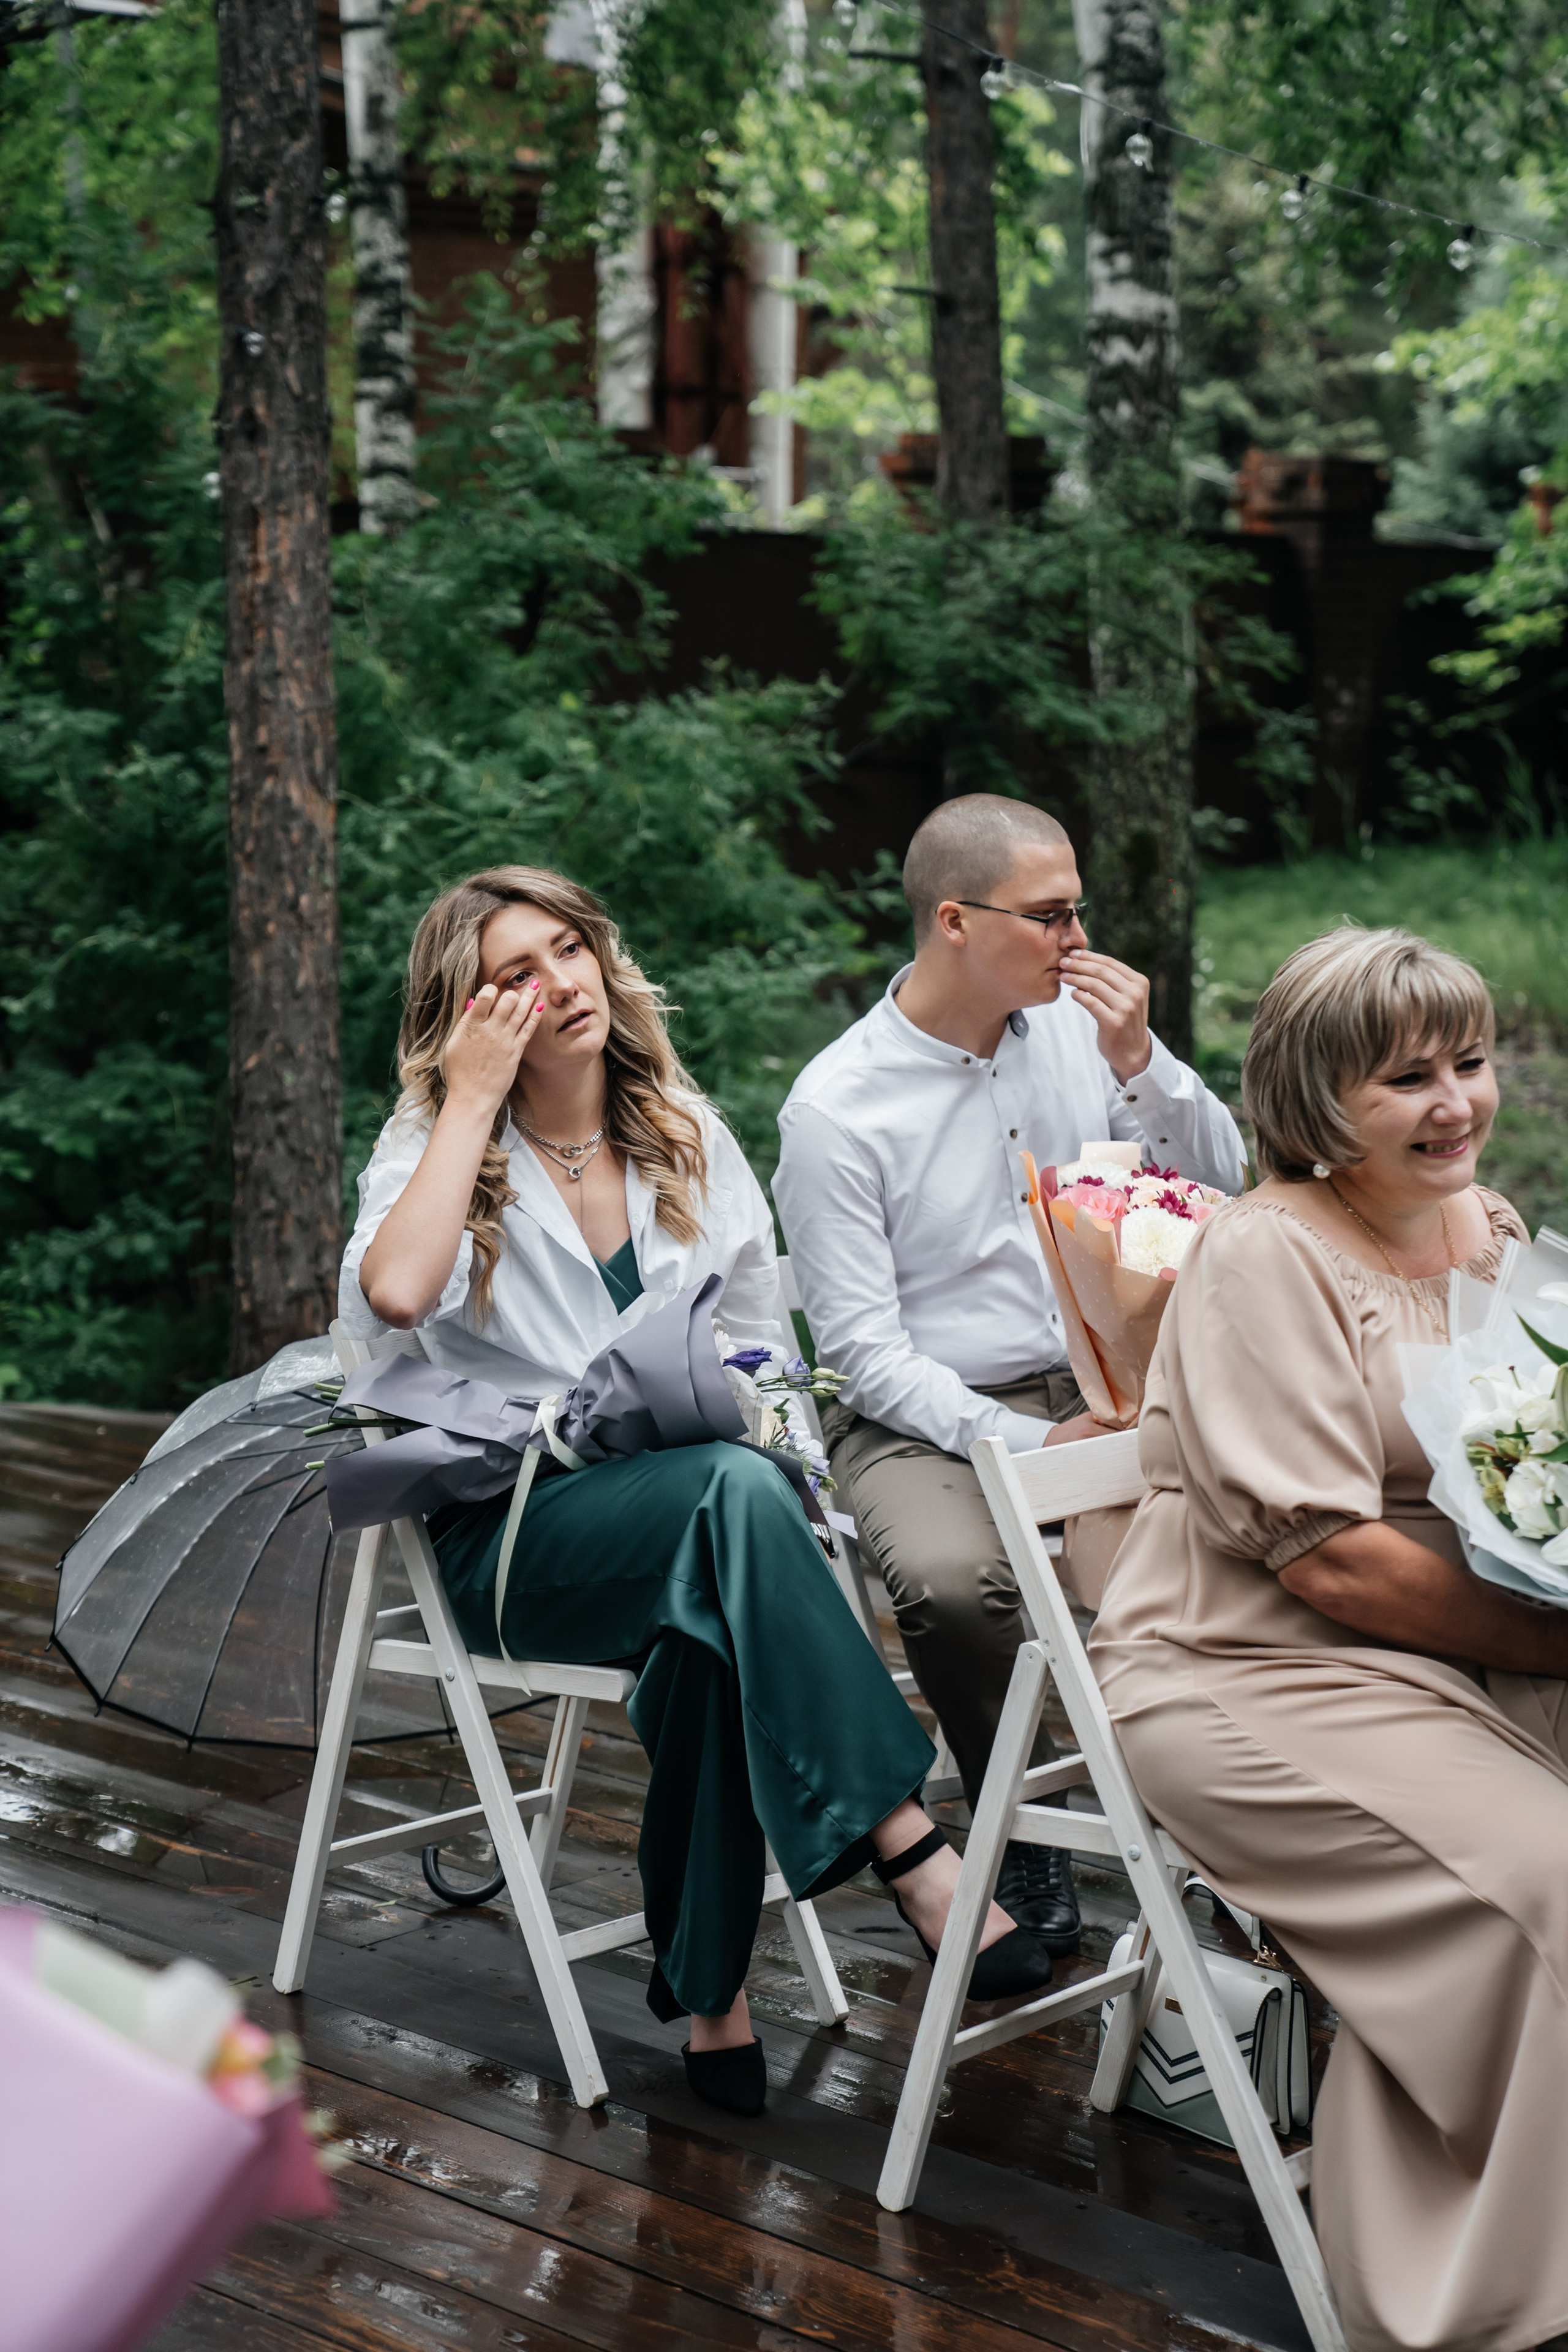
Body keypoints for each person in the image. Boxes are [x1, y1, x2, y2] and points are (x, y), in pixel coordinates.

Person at [339, 864, 1057, 2119]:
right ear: (466, 1013)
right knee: (725, 1505)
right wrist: (468, 1102)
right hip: (513, 1537)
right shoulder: (433, 1147)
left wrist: (762, 1437)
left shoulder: (680, 1130)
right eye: (515, 973)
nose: (557, 983)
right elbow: (397, 1296)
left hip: (703, 1524)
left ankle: (710, 1993)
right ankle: (910, 1844)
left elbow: (771, 1360)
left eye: (567, 949)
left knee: (710, 1599)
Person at [1090, 925, 1568, 2352]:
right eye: (1402, 1078)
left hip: (1467, 1647)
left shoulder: (1489, 1231)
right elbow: (1334, 1564)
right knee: (1547, 1887)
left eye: (1467, 1063)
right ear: (1312, 1098)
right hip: (1243, 1671)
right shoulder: (1260, 1256)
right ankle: (1483, 2296)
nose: (1454, 1105)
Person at [774, 796, 1244, 1956]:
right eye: (1051, 916)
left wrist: (1142, 1062)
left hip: (1117, 1373)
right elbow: (865, 1355)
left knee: (1248, 1532)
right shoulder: (835, 1110)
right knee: (947, 1582)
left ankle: (1227, 1826)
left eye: (1078, 909)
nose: (1079, 939)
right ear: (953, 922)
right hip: (921, 1417)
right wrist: (1036, 1449)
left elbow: (1221, 1190)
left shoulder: (1086, 1032)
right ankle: (1015, 1825)